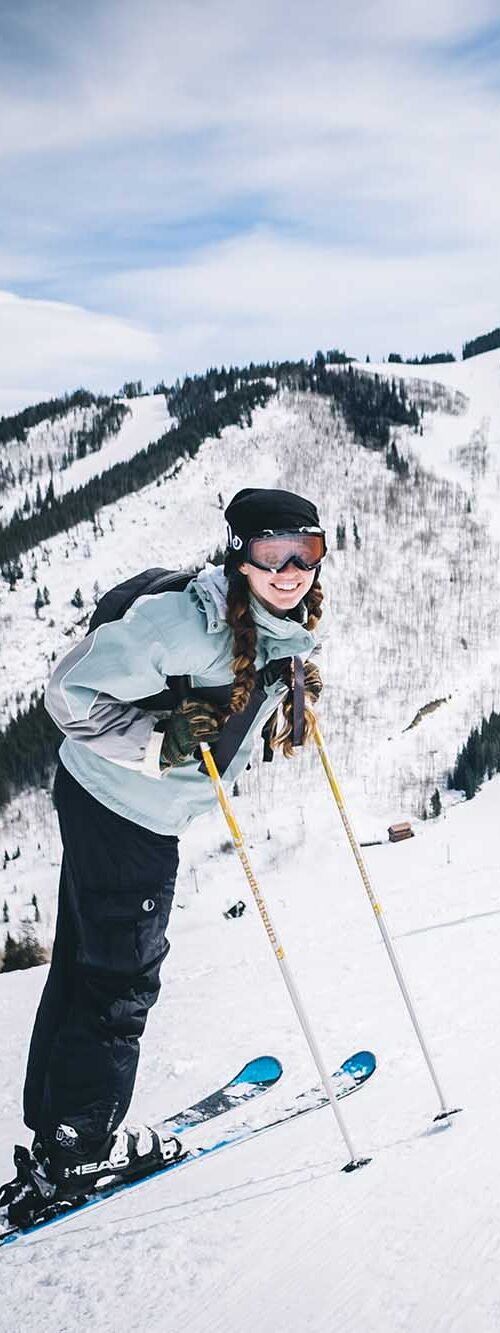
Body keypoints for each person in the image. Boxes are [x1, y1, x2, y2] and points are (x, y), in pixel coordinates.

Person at [0, 488, 326, 1227]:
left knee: (87, 964)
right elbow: (68, 695)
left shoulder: (281, 620)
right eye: (271, 552)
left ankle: (57, 1127)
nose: (290, 568)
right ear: (240, 552)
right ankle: (79, 1150)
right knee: (121, 980)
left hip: (119, 807)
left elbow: (235, 691)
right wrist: (161, 743)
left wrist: (286, 697)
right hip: (124, 813)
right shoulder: (183, 622)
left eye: (306, 551)